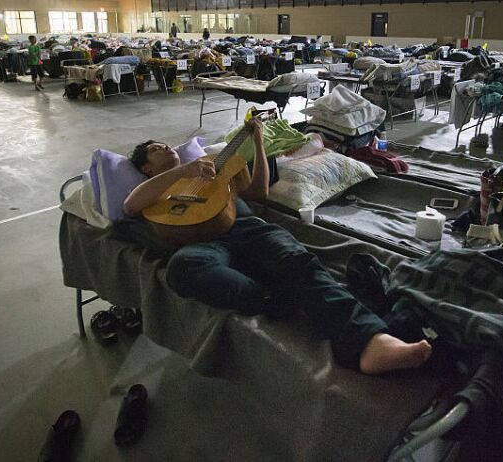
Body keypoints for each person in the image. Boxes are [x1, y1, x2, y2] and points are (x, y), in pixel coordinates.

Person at [122, 121, 432, 375]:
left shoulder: (214, 166)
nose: (164, 146)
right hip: (202, 243)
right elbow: (130, 206)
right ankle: (270, 297)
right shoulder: (157, 189)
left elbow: (258, 192)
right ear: (147, 169)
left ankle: (370, 341)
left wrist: (257, 141)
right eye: (154, 149)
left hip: (245, 227)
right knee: (181, 269)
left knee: (297, 259)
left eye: (163, 143)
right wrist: (181, 173)